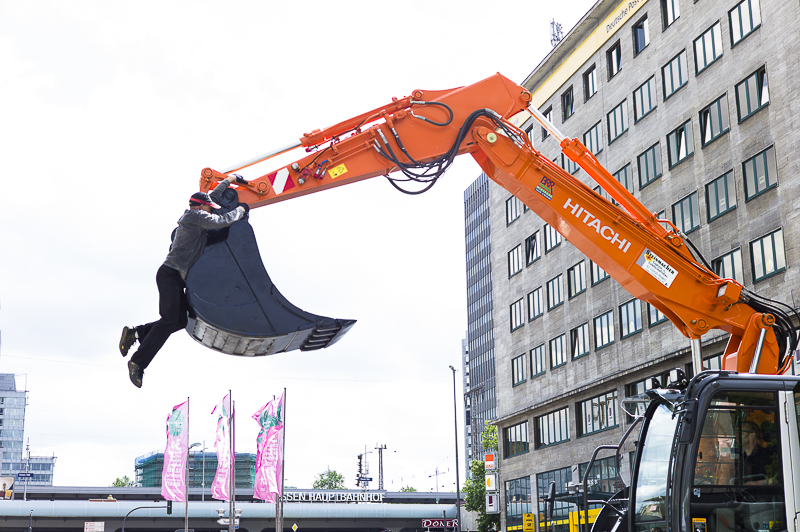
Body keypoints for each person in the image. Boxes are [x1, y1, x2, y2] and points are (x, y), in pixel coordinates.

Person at [119, 175, 249, 388]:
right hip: (170, 275)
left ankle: (137, 333)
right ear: (201, 208)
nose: (211, 212)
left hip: (175, 278)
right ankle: (137, 362)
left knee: (179, 320)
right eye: (209, 209)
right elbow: (221, 219)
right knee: (169, 320)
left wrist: (230, 179)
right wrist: (241, 210)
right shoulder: (194, 216)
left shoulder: (197, 214)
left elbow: (212, 198)